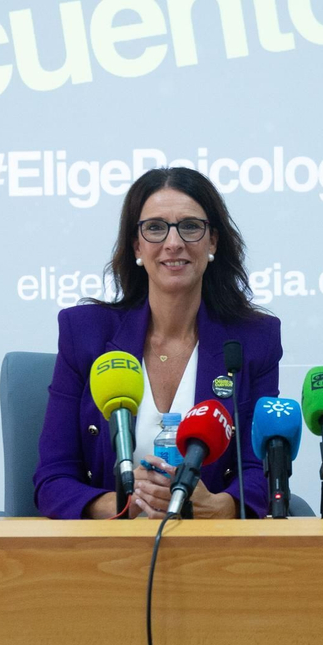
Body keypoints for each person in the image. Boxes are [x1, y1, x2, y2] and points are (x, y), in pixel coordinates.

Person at [34, 167, 281, 519]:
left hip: (212, 550)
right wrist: (126, 503)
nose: (173, 243)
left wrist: (220, 506)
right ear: (136, 245)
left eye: (191, 227)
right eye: (155, 228)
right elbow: (52, 478)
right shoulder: (85, 333)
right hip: (108, 553)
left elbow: (262, 469)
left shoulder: (253, 340)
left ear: (213, 241)